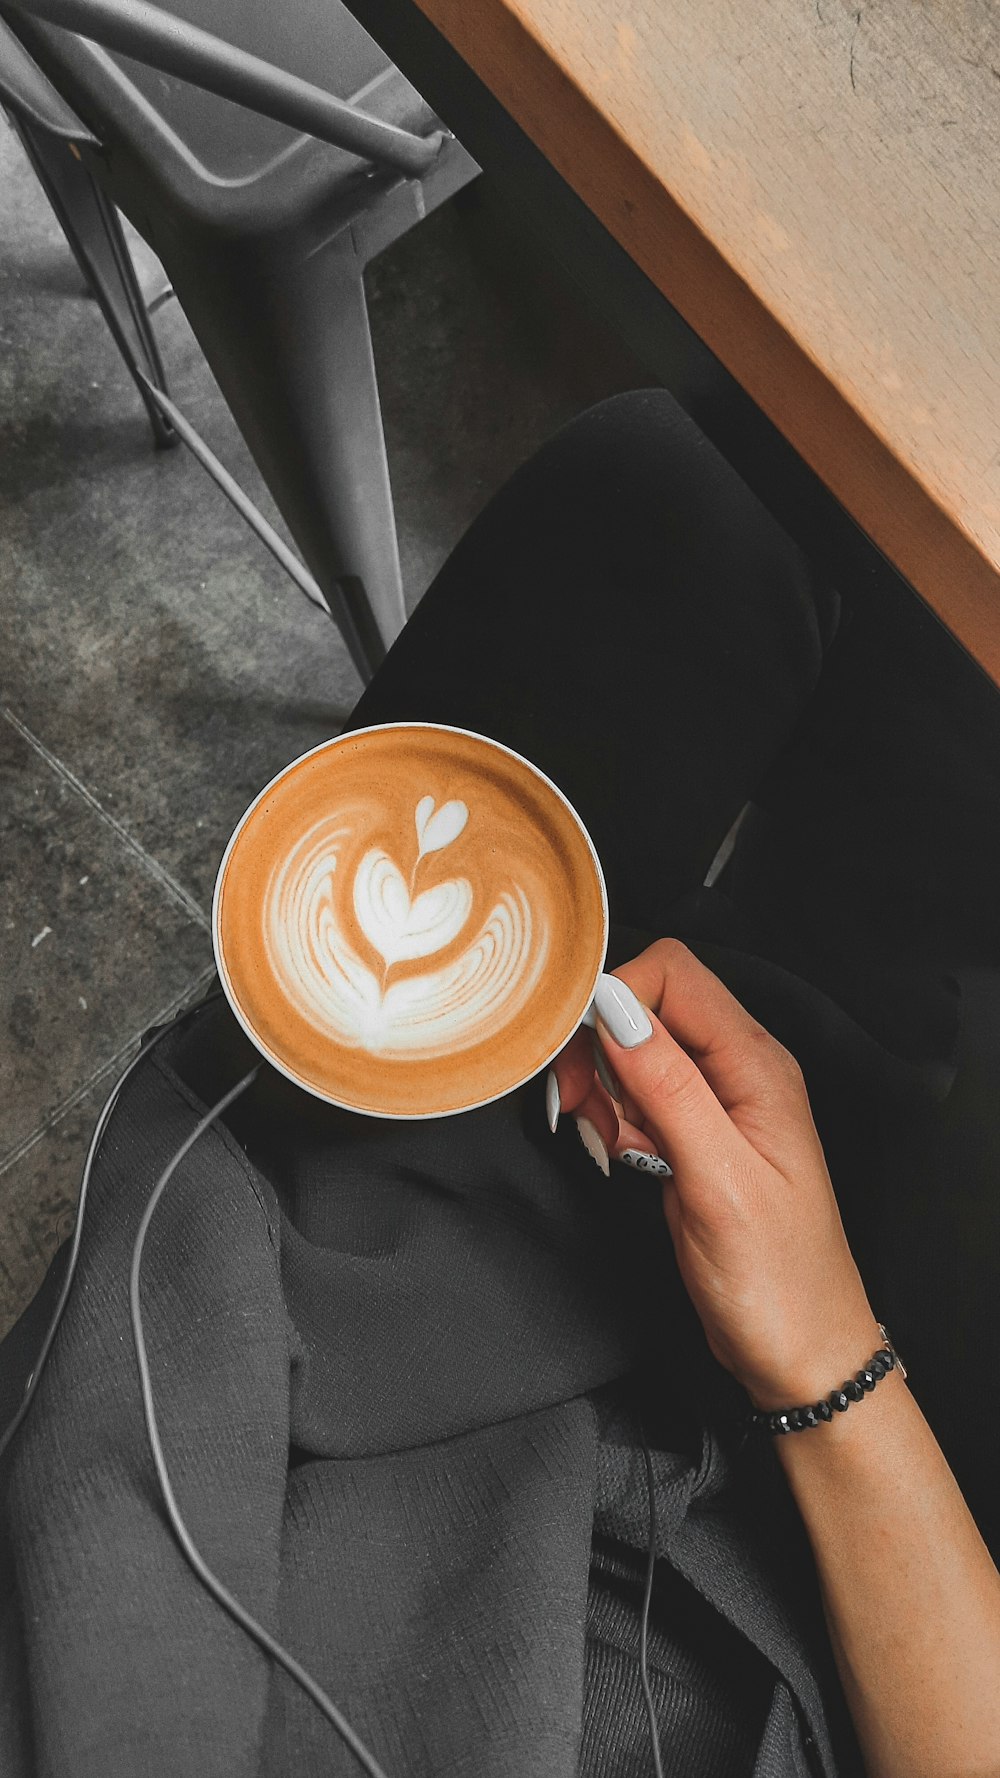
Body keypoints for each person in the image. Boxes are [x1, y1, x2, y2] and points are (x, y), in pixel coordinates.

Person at [1, 390, 998, 1778]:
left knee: (666, 496)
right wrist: (827, 1353)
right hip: (831, 1588)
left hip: (318, 1282)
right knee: (928, 732)